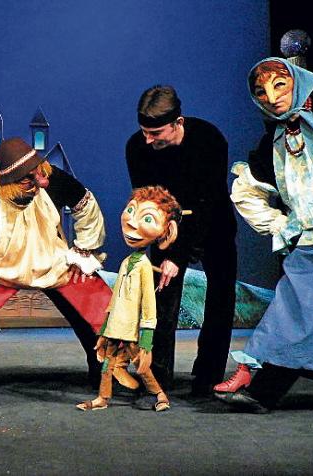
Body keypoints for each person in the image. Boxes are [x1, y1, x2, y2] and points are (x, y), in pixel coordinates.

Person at [215, 58, 313, 417]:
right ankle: (260, 385)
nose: (271, 98)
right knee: (293, 309)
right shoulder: (273, 141)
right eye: (261, 92)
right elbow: (247, 191)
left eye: (279, 86)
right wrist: (281, 226)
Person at [0, 137, 111, 388]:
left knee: (96, 302)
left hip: (52, 262)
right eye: (28, 179)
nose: (40, 182)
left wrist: (83, 249)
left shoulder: (50, 179)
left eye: (39, 173)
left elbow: (86, 205)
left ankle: (105, 371)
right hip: (3, 267)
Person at [125, 85, 238, 395]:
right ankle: (157, 380)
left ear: (178, 122)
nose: (148, 140)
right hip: (166, 228)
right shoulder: (137, 147)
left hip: (213, 223)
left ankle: (208, 377)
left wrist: (179, 256)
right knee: (161, 301)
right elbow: (151, 203)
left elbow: (206, 203)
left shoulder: (209, 140)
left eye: (156, 133)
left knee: (221, 299)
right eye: (144, 132)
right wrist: (168, 252)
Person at [76, 186, 182, 412]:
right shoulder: (126, 262)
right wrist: (105, 329)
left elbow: (149, 304)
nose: (132, 222)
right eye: (131, 210)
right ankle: (103, 398)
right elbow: (115, 299)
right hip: (116, 327)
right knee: (107, 365)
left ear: (166, 230)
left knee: (142, 367)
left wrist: (147, 338)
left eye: (147, 218)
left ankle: (160, 395)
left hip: (131, 330)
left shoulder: (143, 266)